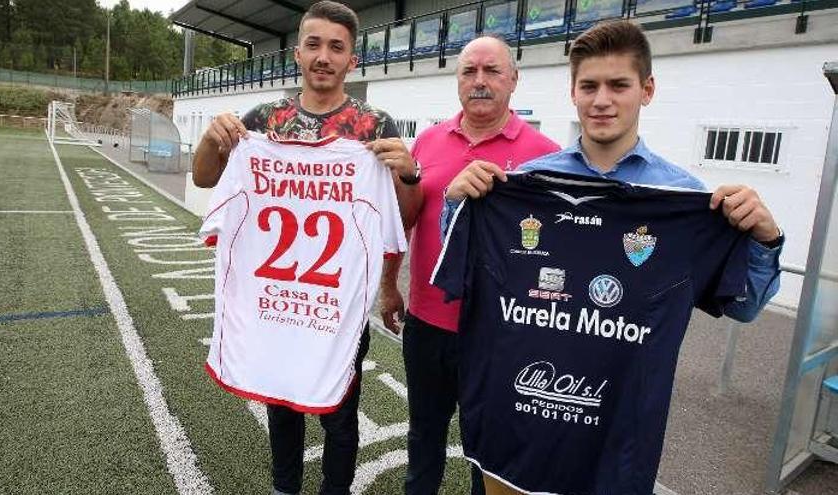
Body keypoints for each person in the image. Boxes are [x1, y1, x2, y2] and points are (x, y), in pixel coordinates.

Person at [442, 21, 782, 494]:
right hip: (517, 434)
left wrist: (765, 242)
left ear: (647, 90)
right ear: (573, 93)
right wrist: (457, 208)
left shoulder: (684, 200)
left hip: (613, 450)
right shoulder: (521, 185)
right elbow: (459, 272)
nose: (602, 100)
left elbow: (744, 307)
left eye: (618, 85)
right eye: (589, 86)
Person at [192, 3, 421, 494]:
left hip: (336, 303)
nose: (323, 56)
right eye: (314, 45)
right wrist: (212, 140)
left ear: (351, 60)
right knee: (281, 398)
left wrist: (408, 171)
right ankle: (285, 487)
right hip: (273, 297)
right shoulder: (261, 120)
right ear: (297, 53)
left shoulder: (375, 125)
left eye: (336, 47)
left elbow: (402, 215)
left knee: (339, 409)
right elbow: (205, 177)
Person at [379, 35, 560, 495]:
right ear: (457, 80)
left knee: (491, 448)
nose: (480, 81)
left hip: (501, 332)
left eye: (492, 71)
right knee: (424, 436)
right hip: (428, 322)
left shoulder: (549, 155)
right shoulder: (428, 140)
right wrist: (389, 285)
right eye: (469, 71)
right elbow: (405, 221)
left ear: (514, 80)